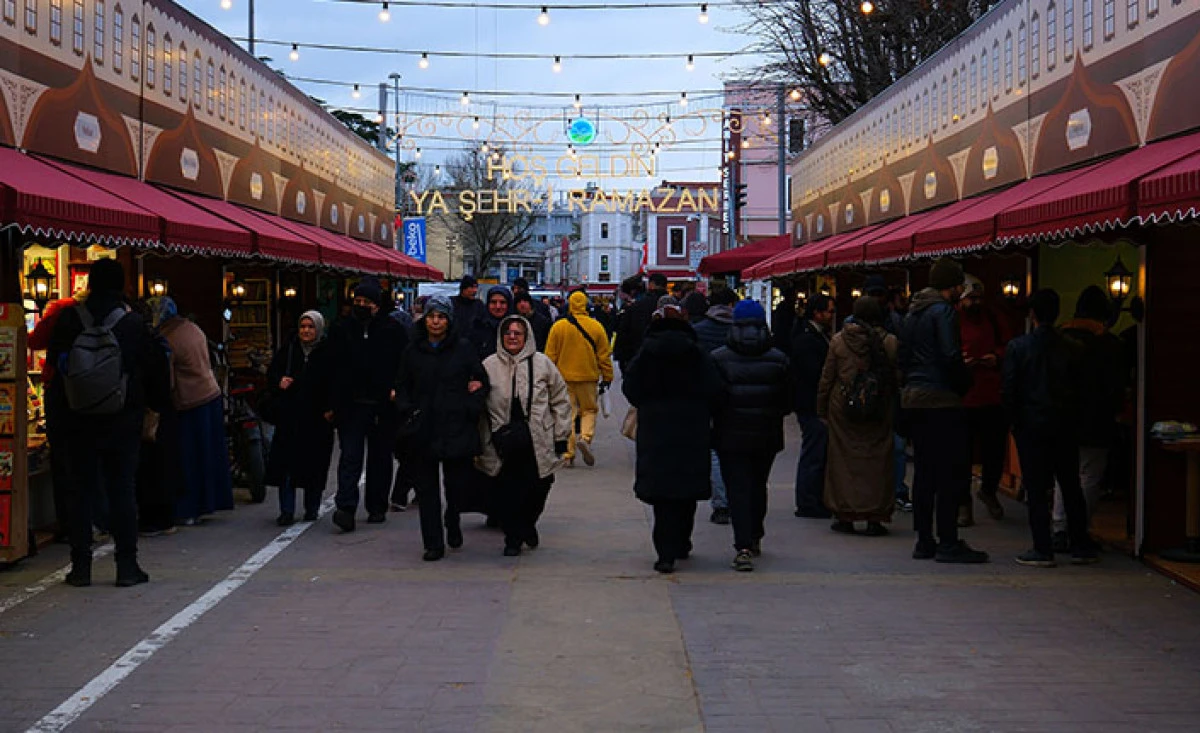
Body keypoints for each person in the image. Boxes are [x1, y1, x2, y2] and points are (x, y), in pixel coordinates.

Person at [49, 259, 168, 587]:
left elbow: (56, 370)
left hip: (76, 419)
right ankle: (126, 566)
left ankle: (81, 567)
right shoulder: (132, 324)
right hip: (121, 418)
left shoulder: (70, 318)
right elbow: (155, 367)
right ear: (121, 284)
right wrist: (155, 407)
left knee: (80, 492)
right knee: (122, 489)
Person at [622, 300, 723, 574]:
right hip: (691, 428)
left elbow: (630, 387)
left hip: (656, 429)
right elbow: (715, 388)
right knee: (685, 491)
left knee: (662, 493)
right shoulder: (697, 353)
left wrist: (649, 403)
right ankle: (682, 541)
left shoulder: (647, 352)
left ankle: (665, 553)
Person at [899, 258, 988, 563]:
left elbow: (903, 357)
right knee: (950, 473)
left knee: (924, 473)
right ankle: (948, 540)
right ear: (952, 285)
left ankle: (924, 540)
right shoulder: (944, 312)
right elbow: (951, 356)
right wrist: (963, 384)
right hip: (941, 399)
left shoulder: (912, 313)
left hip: (914, 398)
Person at [1002, 289, 1098, 567]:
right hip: (1064, 424)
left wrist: (1014, 422)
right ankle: (1079, 542)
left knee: (1036, 487)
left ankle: (1042, 547)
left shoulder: (1018, 348)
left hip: (1032, 424)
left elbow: (1010, 389)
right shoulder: (1073, 348)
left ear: (1032, 314)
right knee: (1070, 484)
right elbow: (1083, 390)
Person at [394, 295, 490, 561]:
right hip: (423, 430)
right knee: (427, 491)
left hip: (455, 427)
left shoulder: (463, 348)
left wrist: (471, 404)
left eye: (441, 317)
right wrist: (407, 409)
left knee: (456, 486)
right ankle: (433, 542)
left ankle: (453, 518)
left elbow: (480, 381)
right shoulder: (412, 351)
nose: (436, 322)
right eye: (431, 316)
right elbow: (401, 385)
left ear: (449, 320)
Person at [477, 315, 573, 555]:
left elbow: (560, 399)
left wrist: (561, 435)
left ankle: (528, 523)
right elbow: (480, 408)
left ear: (526, 336)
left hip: (536, 438)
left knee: (540, 486)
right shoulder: (488, 365)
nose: (512, 337)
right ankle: (513, 538)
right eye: (507, 332)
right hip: (503, 440)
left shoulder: (543, 364)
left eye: (517, 333)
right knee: (507, 491)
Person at [711, 300, 790, 571]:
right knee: (758, 484)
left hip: (730, 434)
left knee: (737, 488)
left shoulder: (719, 358)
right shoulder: (778, 359)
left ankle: (742, 544)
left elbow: (714, 400)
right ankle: (755, 534)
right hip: (766, 433)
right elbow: (788, 400)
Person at [327, 278, 408, 532]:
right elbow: (332, 368)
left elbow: (404, 364)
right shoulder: (341, 329)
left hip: (383, 405)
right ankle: (346, 507)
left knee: (380, 459)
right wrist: (333, 402)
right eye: (357, 301)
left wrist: (397, 390)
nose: (361, 306)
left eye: (366, 302)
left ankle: (377, 506)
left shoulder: (392, 330)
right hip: (350, 405)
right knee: (350, 457)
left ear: (377, 304)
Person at [818, 297, 900, 537]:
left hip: (843, 406)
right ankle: (876, 514)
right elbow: (896, 376)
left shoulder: (839, 340)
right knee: (878, 460)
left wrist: (821, 408)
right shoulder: (890, 342)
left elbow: (827, 377)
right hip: (879, 408)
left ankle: (845, 513)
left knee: (843, 461)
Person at [1053, 286, 1127, 551]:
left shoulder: (1060, 336)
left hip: (1061, 417)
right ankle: (1079, 528)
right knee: (1089, 476)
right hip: (1096, 418)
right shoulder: (1109, 344)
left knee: (1064, 475)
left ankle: (1060, 526)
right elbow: (1116, 385)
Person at [155, 296, 233, 527]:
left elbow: (167, 379)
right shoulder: (192, 328)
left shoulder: (167, 338)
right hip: (210, 393)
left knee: (189, 457)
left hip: (190, 400)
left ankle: (189, 507)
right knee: (207, 453)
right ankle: (207, 503)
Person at [264, 311, 335, 527]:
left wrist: (331, 408)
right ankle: (286, 510)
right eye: (303, 326)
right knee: (287, 467)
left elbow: (336, 381)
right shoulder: (288, 350)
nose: (306, 331)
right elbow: (271, 375)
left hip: (317, 419)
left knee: (314, 465)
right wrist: (279, 382)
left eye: (310, 327)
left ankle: (311, 508)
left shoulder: (328, 353)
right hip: (290, 417)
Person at [958, 275, 1011, 525]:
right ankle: (962, 502)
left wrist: (996, 357)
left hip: (991, 393)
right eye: (971, 298)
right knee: (962, 454)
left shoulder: (993, 317)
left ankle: (988, 490)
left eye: (978, 298)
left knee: (994, 451)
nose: (975, 302)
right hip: (964, 396)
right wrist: (960, 361)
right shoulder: (952, 318)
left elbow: (1007, 345)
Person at [545, 291, 614, 467]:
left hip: (564, 378)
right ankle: (585, 437)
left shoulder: (558, 327)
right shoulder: (596, 327)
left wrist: (547, 377)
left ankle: (568, 454)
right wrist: (607, 376)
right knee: (589, 410)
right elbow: (604, 355)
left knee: (567, 414)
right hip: (588, 377)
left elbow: (550, 355)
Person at [693, 287, 739, 525]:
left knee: (714, 452)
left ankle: (721, 503)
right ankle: (738, 501)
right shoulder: (739, 332)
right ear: (731, 305)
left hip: (707, 398)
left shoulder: (698, 330)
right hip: (737, 399)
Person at [864, 275, 910, 512]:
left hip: (889, 392)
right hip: (874, 393)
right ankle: (879, 491)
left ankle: (894, 490)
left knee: (896, 445)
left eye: (878, 294)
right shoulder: (855, 327)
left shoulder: (896, 322)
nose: (875, 299)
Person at [791, 294, 835, 519]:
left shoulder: (812, 335)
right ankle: (808, 501)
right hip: (811, 404)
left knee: (816, 451)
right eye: (828, 310)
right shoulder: (808, 339)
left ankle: (812, 498)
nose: (831, 315)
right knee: (814, 452)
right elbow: (813, 374)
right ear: (817, 313)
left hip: (810, 403)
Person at [614, 273, 667, 372]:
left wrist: (623, 359)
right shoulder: (675, 305)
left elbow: (624, 332)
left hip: (641, 355)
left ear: (651, 284)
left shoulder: (637, 306)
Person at [470, 285, 513, 360]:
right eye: (493, 302)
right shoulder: (477, 326)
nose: (498, 306)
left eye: (502, 302)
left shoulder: (517, 327)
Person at [772, 286, 798, 351]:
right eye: (794, 295)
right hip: (785, 340)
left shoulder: (783, 307)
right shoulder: (786, 308)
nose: (796, 298)